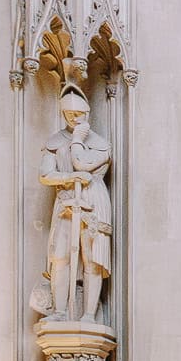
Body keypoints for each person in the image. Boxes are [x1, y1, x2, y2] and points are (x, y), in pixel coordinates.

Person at [37, 82, 113, 324]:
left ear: (88, 113)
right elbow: (46, 175)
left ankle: (89, 316)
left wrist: (78, 138)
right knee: (60, 257)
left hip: (93, 201)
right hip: (67, 201)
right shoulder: (55, 141)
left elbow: (81, 162)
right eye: (69, 115)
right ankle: (60, 311)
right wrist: (70, 177)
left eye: (78, 114)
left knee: (92, 259)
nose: (73, 119)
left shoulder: (101, 144)